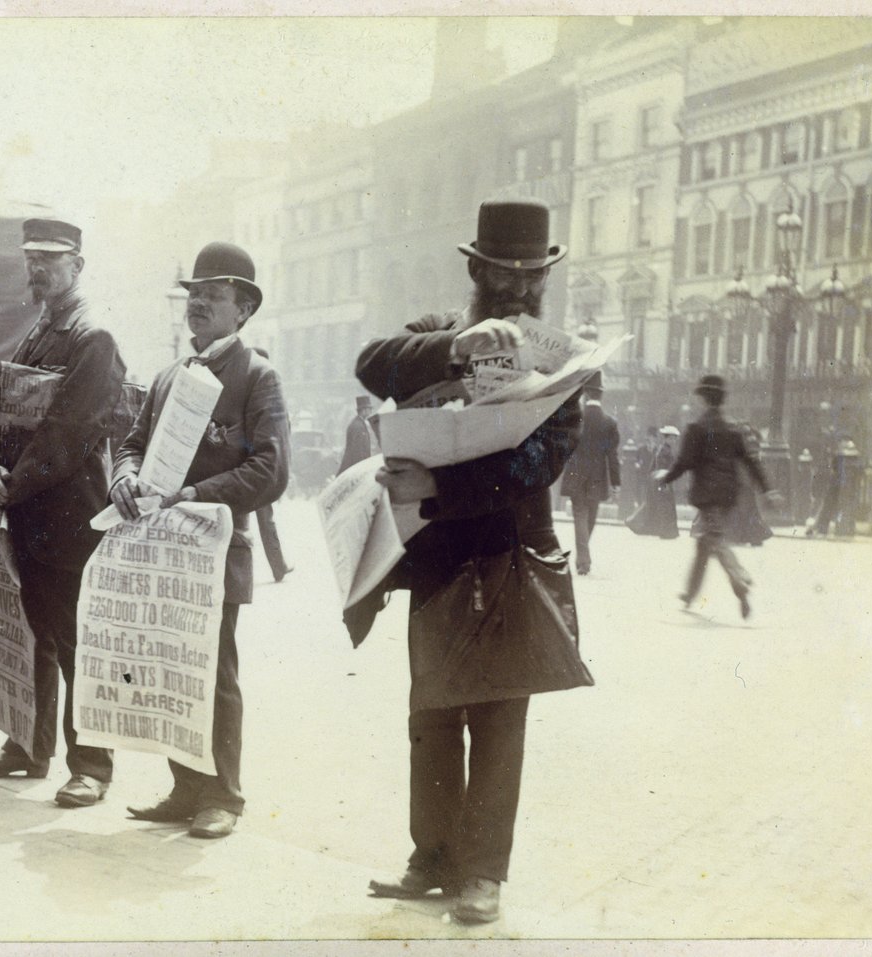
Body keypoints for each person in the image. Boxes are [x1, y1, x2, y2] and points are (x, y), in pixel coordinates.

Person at [354, 200, 582, 924]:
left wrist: (438, 484)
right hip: (437, 557)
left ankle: (482, 872)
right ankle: (432, 857)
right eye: (503, 273)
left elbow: (541, 461)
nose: (517, 290)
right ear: (476, 270)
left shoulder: (566, 360)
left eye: (530, 276)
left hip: (509, 554)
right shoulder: (436, 333)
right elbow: (372, 361)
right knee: (431, 710)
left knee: (497, 715)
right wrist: (456, 348)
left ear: (544, 278)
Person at [111, 241, 290, 839]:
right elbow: (131, 441)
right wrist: (125, 476)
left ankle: (223, 796)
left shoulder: (257, 376)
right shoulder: (169, 376)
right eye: (193, 295)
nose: (198, 306)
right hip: (163, 550)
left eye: (213, 297)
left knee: (213, 671)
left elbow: (271, 471)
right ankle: (185, 788)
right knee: (169, 668)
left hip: (216, 548)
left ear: (243, 311)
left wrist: (195, 494)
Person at [0, 218, 128, 809]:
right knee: (29, 632)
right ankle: (27, 747)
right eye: (32, 258)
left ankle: (91, 767)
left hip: (68, 517)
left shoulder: (93, 337)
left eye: (51, 260)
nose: (38, 269)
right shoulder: (37, 334)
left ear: (77, 266)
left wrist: (13, 484)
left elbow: (70, 434)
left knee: (74, 640)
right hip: (27, 510)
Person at [656, 375, 779, 619]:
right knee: (705, 543)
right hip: (727, 494)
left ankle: (740, 580)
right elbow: (750, 462)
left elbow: (684, 462)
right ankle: (690, 594)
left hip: (707, 494)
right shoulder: (731, 429)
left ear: (703, 399)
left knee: (716, 540)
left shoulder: (697, 428)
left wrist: (665, 478)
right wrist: (767, 489)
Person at [557, 371, 619, 574]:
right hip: (597, 477)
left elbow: (564, 447)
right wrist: (616, 483)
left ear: (585, 394)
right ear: (601, 396)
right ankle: (584, 559)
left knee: (580, 515)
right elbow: (612, 455)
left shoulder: (575, 417)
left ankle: (583, 558)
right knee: (590, 517)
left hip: (576, 474)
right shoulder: (609, 422)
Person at [252, 347, 293, 583]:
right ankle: (278, 567)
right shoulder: (263, 396)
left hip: (256, 469)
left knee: (263, 520)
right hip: (257, 470)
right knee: (266, 520)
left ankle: (279, 566)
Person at [626, 426, 679, 539]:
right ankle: (666, 532)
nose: (674, 441)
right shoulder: (665, 450)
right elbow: (662, 468)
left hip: (658, 480)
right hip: (663, 480)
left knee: (653, 505)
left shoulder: (662, 449)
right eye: (673, 438)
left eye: (675, 438)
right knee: (663, 507)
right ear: (667, 438)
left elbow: (654, 467)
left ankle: (635, 522)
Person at [725, 424, 772, 546]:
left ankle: (741, 536)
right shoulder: (752, 442)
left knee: (741, 510)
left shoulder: (741, 444)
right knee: (750, 510)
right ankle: (755, 536)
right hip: (746, 481)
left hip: (741, 481)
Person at [336, 394, 377, 475]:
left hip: (355, 466)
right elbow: (358, 451)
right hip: (356, 467)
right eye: (369, 409)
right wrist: (363, 469)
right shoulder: (358, 426)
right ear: (363, 410)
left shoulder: (359, 424)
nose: (370, 412)